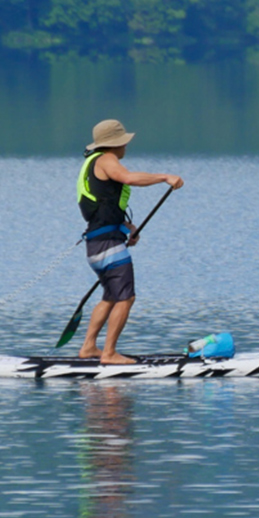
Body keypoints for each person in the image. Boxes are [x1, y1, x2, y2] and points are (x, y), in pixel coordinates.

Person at [73, 118, 184, 364]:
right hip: (107, 244)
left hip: (98, 243)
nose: (126, 146)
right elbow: (129, 178)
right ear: (114, 144)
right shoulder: (106, 160)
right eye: (124, 142)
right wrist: (165, 177)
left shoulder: (93, 162)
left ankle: (89, 348)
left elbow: (104, 206)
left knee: (111, 296)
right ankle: (110, 354)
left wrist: (126, 227)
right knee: (126, 297)